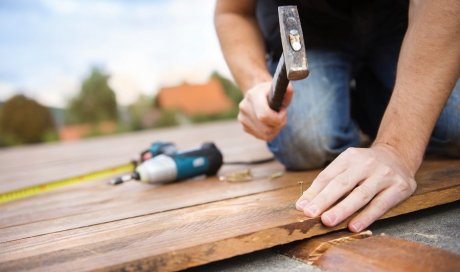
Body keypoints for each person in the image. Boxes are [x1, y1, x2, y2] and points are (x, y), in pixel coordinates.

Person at [214, 0, 460, 232]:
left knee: (455, 125)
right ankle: (354, 105)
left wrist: (397, 149)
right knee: (307, 142)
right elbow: (233, 12)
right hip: (313, 32)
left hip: (400, 21)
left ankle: (369, 100)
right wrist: (256, 83)